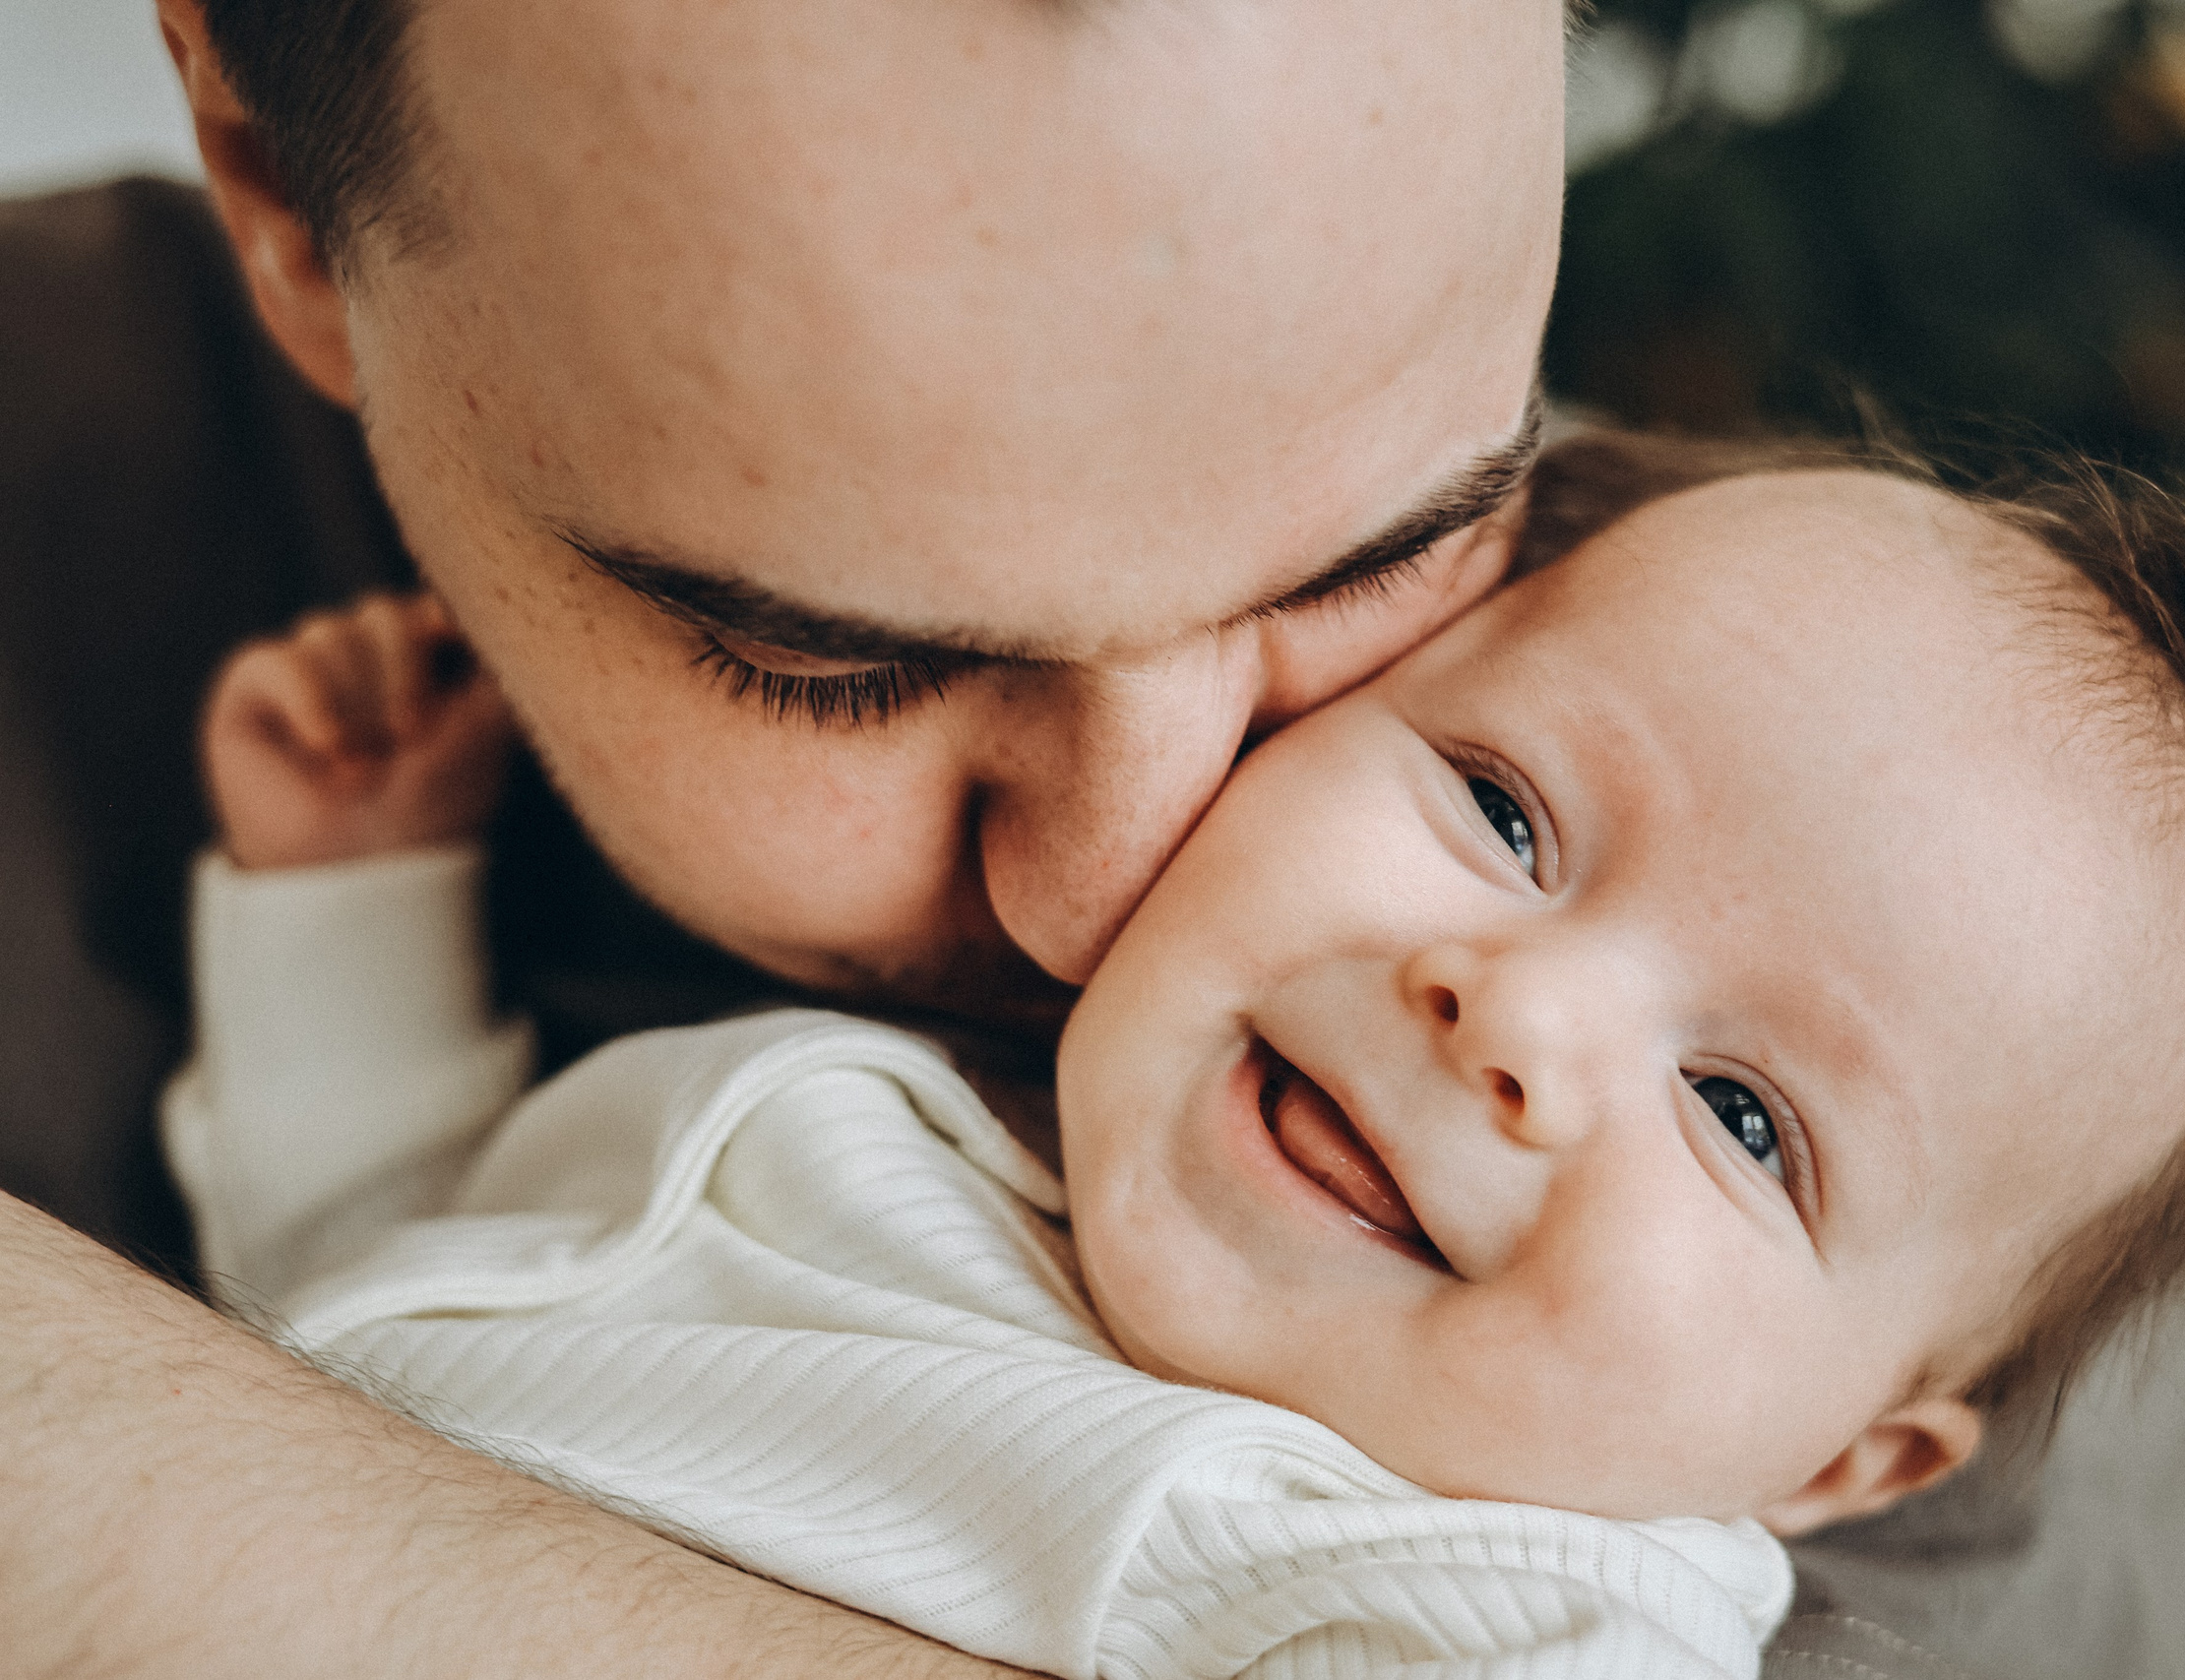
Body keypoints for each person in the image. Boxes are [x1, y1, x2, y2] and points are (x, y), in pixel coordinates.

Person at [159, 431, 2185, 1676]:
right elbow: (358, 1288)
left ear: (1835, 1459)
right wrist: (353, 917)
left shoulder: (1497, 1597)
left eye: (1744, 1117)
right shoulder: (881, 1116)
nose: (1509, 1013)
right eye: (1503, 814)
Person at [1, 1, 1569, 1672]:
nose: (1134, 892)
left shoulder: (1762, 724)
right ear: (285, 199)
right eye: (836, 665)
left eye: (1381, 565)